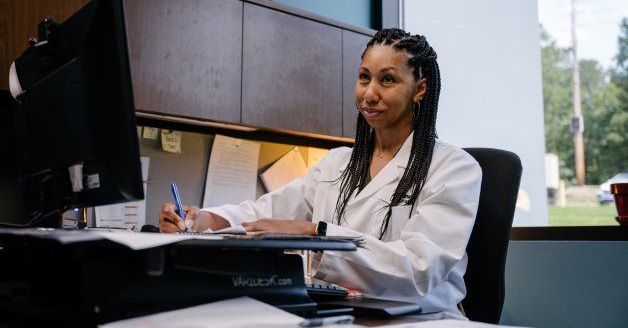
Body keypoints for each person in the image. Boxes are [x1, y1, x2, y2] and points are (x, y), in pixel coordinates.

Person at [158, 28, 482, 320]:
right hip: (341, 313)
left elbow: (418, 268)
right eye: (364, 77)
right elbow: (265, 213)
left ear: (420, 89)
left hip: (419, 319)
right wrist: (205, 221)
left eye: (387, 80)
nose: (369, 93)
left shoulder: (453, 168)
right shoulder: (337, 164)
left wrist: (316, 232)